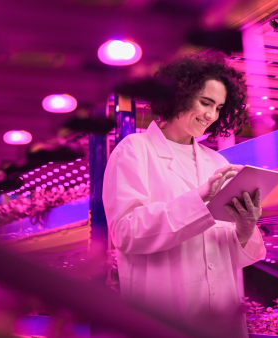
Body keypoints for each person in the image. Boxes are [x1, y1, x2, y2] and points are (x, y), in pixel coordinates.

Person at [102, 52, 266, 338]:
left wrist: (244, 228)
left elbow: (229, 257)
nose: (211, 116)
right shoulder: (134, 150)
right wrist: (199, 198)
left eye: (218, 107)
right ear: (179, 95)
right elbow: (125, 232)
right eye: (205, 102)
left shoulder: (217, 162)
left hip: (222, 325)